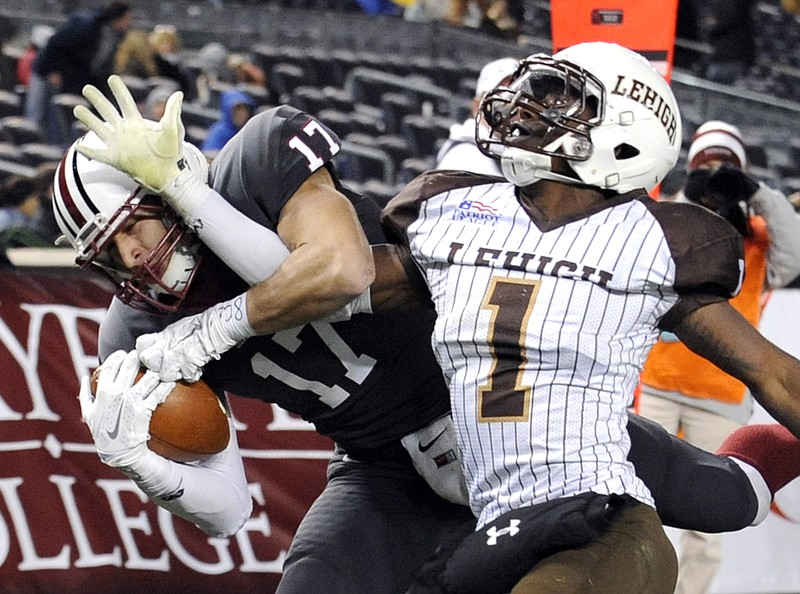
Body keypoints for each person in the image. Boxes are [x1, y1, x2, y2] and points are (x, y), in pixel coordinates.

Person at [61, 72, 800, 593]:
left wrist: (206, 328)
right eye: (107, 252)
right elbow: (228, 508)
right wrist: (144, 464)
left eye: (136, 226)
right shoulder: (136, 330)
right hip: (379, 463)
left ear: (172, 183)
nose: (133, 259)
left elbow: (334, 275)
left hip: (510, 409)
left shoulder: (254, 167)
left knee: (728, 502)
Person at [638, 120, 800, 594]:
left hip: (723, 397)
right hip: (662, 386)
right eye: (706, 166)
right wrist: (693, 196)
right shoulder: (674, 221)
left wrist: (757, 192)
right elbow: (648, 237)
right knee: (636, 508)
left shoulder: (757, 236)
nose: (716, 175)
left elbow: (797, 255)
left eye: (727, 168)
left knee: (708, 526)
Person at [24, 1, 132, 146]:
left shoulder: (114, 36)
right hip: (46, 71)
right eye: (126, 18)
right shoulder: (87, 26)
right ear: (117, 18)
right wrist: (52, 71)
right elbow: (55, 44)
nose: (129, 22)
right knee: (37, 116)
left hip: (73, 79)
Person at [435, 56, 518, 175]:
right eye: (501, 97)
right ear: (477, 107)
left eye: (519, 96)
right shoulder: (465, 157)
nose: (512, 105)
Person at [200, 88, 256, 156]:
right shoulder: (220, 131)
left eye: (243, 110)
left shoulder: (250, 132)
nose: (241, 114)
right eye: (236, 110)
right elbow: (209, 155)